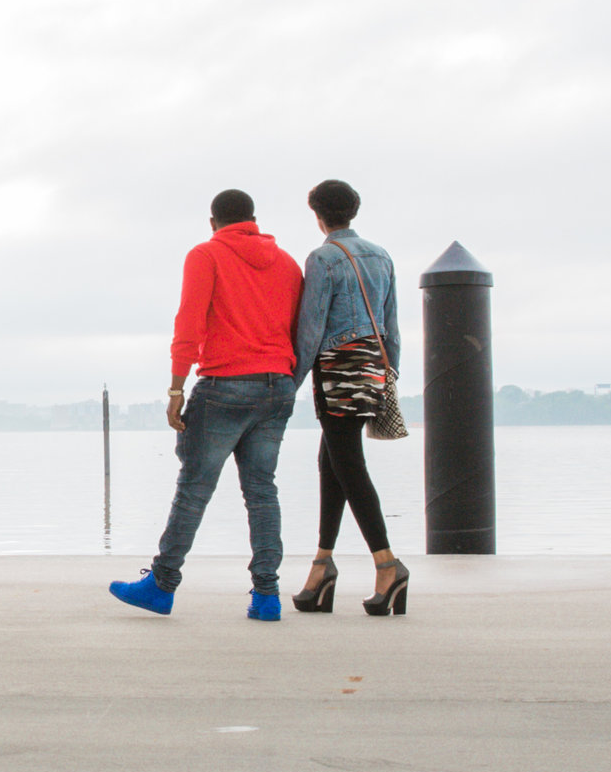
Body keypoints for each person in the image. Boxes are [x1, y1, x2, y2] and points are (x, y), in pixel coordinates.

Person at [110, 189, 304, 621]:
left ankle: (161, 585)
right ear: (253, 219)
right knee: (261, 491)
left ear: (213, 221)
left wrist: (177, 389)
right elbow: (297, 328)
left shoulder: (207, 254)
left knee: (195, 488)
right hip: (278, 386)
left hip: (225, 385)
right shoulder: (289, 264)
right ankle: (267, 597)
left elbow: (190, 323)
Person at [292, 179, 410, 616]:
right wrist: (387, 372)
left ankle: (387, 564)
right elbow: (392, 324)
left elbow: (312, 327)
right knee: (332, 462)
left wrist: (292, 381)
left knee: (348, 465)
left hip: (337, 369)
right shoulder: (381, 256)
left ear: (317, 214)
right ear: (353, 211)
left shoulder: (322, 258)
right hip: (372, 366)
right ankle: (322, 567)